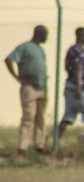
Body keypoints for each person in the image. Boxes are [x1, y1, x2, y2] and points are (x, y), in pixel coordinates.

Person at [4, 25, 49, 157]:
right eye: (45, 34)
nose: (47, 37)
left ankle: (39, 145)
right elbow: (8, 59)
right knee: (28, 116)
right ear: (39, 34)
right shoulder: (24, 47)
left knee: (40, 118)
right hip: (29, 87)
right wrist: (17, 78)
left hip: (42, 87)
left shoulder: (40, 50)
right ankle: (22, 147)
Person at [58, 27, 84, 141]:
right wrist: (79, 88)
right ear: (81, 36)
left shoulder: (71, 50)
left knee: (68, 116)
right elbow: (78, 68)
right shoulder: (79, 51)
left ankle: (56, 142)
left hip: (69, 87)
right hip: (80, 89)